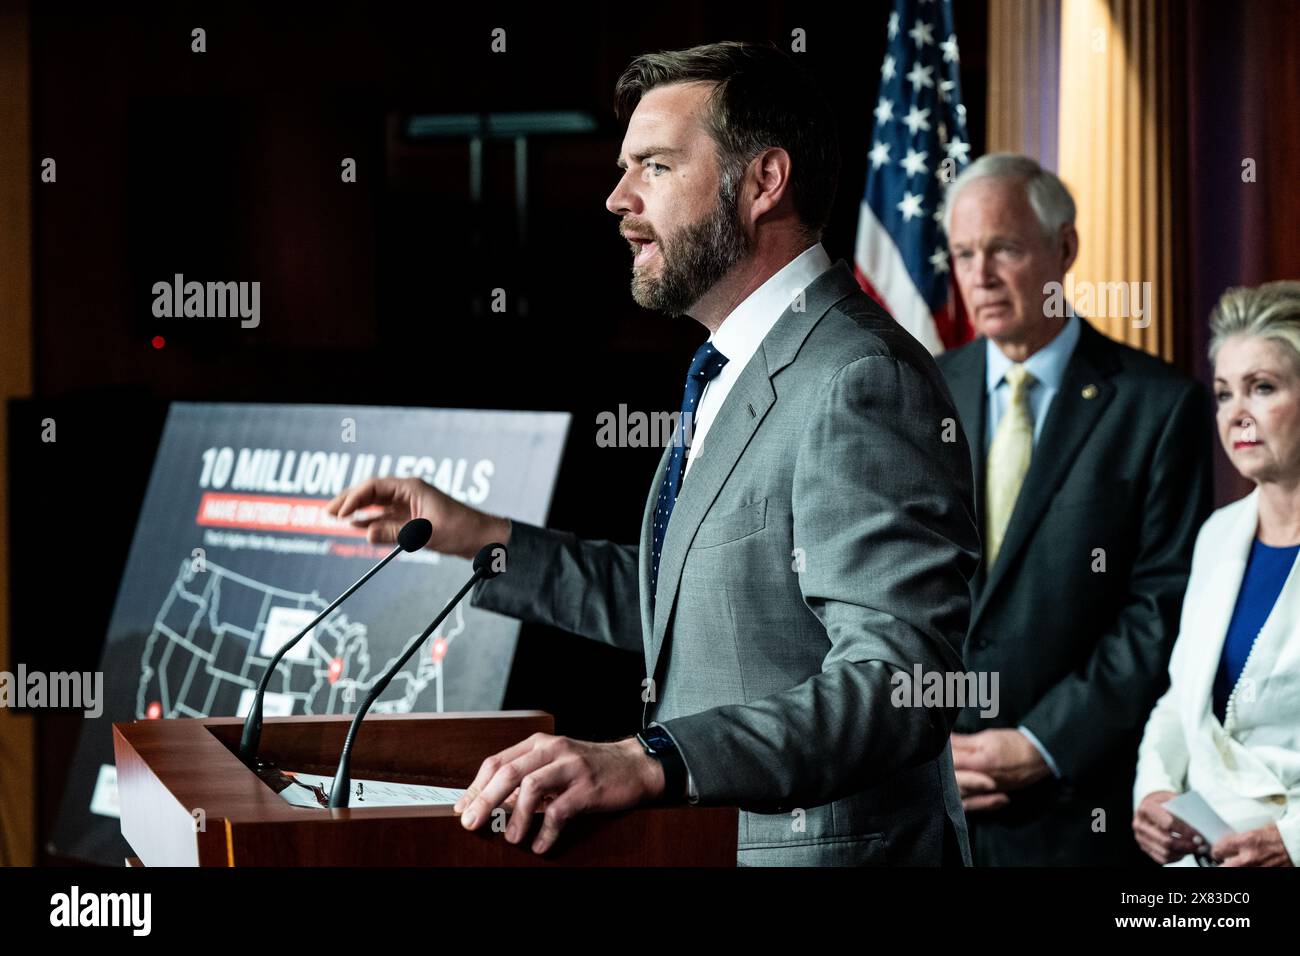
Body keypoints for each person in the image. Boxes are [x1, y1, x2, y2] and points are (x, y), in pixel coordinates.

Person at [328, 41, 980, 865]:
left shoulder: (859, 378)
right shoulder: (734, 362)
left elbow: (899, 688)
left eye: (656, 167)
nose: (616, 198)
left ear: (763, 182)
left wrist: (652, 760)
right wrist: (483, 539)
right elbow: (687, 610)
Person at [935, 153, 1213, 865]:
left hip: (1072, 815)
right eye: (965, 253)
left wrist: (1040, 744)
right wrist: (920, 744)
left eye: (1004, 248)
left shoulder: (1158, 405)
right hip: (927, 807)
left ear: (1065, 248)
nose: (981, 275)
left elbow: (1160, 609)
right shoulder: (922, 390)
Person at [1132, 281, 1300, 868]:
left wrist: (1292, 844)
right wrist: (1153, 790)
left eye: (1263, 388)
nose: (1237, 414)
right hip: (1202, 867)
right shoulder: (1218, 534)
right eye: (1225, 393)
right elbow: (1184, 700)